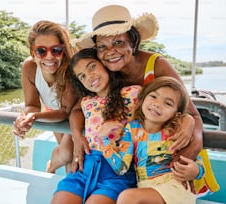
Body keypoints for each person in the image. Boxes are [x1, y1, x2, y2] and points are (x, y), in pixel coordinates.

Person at [71, 4, 203, 172]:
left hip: (165, 156)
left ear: (132, 42)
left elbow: (191, 113)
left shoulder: (157, 66)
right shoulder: (106, 74)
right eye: (102, 47)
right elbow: (77, 109)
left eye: (118, 42)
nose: (110, 52)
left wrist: (194, 145)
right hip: (129, 161)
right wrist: (76, 136)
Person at [51, 48, 141, 204]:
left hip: (117, 169)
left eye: (92, 66)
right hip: (84, 167)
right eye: (82, 76)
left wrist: (187, 119)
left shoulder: (133, 93)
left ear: (105, 64)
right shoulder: (86, 102)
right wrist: (77, 135)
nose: (89, 76)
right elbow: (76, 111)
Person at [97, 76, 204, 204]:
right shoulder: (132, 129)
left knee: (127, 197)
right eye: (153, 96)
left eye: (168, 103)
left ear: (176, 114)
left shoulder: (176, 131)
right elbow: (121, 168)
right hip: (146, 189)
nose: (157, 104)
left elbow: (195, 161)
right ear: (143, 99)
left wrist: (196, 172)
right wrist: (104, 140)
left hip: (174, 187)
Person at [12, 20, 78, 173]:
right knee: (67, 155)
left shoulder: (70, 69)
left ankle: (51, 169)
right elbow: (32, 104)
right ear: (32, 52)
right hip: (52, 113)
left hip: (75, 114)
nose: (49, 57)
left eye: (56, 50)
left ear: (64, 50)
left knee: (69, 154)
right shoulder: (29, 67)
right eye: (41, 51)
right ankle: (59, 177)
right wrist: (25, 118)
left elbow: (65, 111)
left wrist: (34, 116)